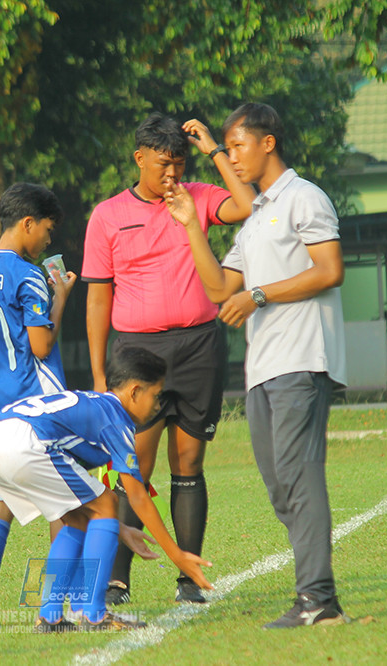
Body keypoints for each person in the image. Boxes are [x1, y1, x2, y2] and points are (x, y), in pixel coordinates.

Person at [163, 102, 350, 628]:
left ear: (268, 143)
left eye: (238, 145)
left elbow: (330, 269)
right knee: (277, 485)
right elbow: (221, 288)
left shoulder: (304, 197)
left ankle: (318, 599)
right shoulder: (259, 215)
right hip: (263, 369)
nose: (232, 158)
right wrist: (191, 228)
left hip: (302, 359)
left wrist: (261, 295)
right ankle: (316, 595)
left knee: (299, 476)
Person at [81, 112, 254, 605]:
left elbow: (248, 204)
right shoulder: (107, 216)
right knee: (132, 464)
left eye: (178, 164)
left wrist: (214, 151)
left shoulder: (197, 195)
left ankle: (189, 579)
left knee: (189, 461)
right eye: (163, 165)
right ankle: (117, 578)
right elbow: (98, 299)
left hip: (200, 345)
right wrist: (98, 373)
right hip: (138, 353)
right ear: (139, 159)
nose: (172, 175)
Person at [0, 346, 213, 633]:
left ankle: (50, 616)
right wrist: (177, 555)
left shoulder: (94, 405)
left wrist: (119, 529)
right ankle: (94, 613)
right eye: (156, 395)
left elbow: (89, 508)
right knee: (108, 501)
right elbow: (137, 496)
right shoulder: (117, 419)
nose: (157, 405)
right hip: (25, 442)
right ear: (135, 391)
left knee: (75, 518)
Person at [0, 182, 76, 628]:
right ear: (27, 223)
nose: (49, 241)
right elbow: (42, 345)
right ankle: (52, 612)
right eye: (47, 230)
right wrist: (61, 297)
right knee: (68, 505)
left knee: (2, 501)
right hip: (35, 402)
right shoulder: (29, 275)